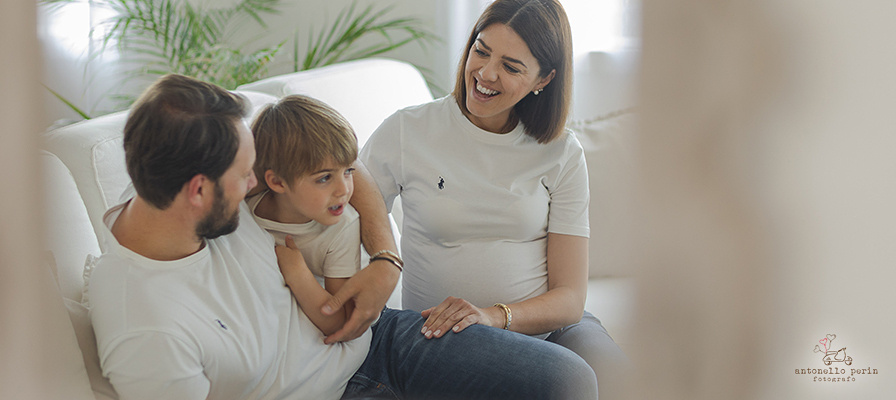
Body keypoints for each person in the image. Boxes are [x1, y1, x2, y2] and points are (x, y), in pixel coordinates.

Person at [87, 74, 597, 400]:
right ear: (198, 191)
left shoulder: (173, 179)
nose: (254, 186)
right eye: (245, 176)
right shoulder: (147, 330)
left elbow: (337, 160)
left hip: (380, 342)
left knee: (569, 382)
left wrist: (384, 258)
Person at [358, 0, 628, 396]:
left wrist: (494, 316)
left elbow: (570, 298)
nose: (485, 73)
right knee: (569, 383)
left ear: (544, 79)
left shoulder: (561, 152)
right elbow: (350, 216)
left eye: (511, 66)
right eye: (481, 50)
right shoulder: (407, 131)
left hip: (547, 326)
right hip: (451, 334)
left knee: (630, 385)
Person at [246, 95, 368, 336]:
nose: (344, 190)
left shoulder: (343, 227)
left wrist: (298, 275)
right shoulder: (247, 212)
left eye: (348, 172)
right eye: (324, 178)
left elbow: (340, 321)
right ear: (277, 182)